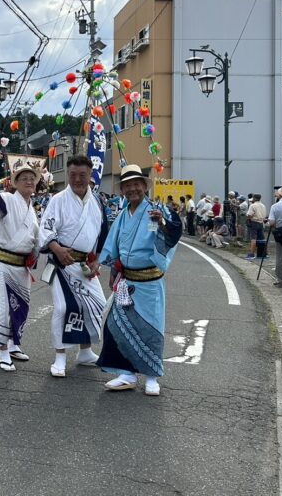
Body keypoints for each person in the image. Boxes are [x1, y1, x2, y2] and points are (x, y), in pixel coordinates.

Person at [97, 164, 183, 396]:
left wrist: (162, 223)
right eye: (127, 185)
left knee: (150, 328)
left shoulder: (156, 210)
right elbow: (115, 244)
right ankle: (126, 373)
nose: (132, 189)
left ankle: (152, 375)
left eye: (137, 184)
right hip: (127, 280)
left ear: (145, 186)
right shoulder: (123, 214)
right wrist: (114, 269)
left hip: (149, 283)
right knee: (117, 326)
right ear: (123, 189)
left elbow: (173, 233)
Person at [39, 155, 108, 378]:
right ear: (68, 175)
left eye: (83, 175)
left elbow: (103, 235)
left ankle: (85, 351)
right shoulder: (57, 200)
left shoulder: (97, 202)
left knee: (97, 306)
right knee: (62, 308)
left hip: (85, 265)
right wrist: (57, 249)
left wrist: (97, 260)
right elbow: (46, 229)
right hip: (61, 263)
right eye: (73, 175)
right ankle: (60, 356)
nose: (77, 179)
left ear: (90, 176)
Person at [0, 165, 40, 371]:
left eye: (32, 179)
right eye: (24, 178)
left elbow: (35, 238)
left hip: (21, 266)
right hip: (2, 262)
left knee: (22, 306)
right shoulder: (8, 199)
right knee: (4, 307)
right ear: (15, 183)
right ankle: (3, 352)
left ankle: (14, 343)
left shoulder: (32, 209)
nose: (28, 181)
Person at [245, 193, 267, 260]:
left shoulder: (253, 205)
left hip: (254, 222)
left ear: (254, 198)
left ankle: (251, 253)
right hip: (261, 222)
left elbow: (249, 215)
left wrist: (248, 219)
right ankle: (264, 253)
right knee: (261, 239)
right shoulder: (263, 205)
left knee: (253, 238)